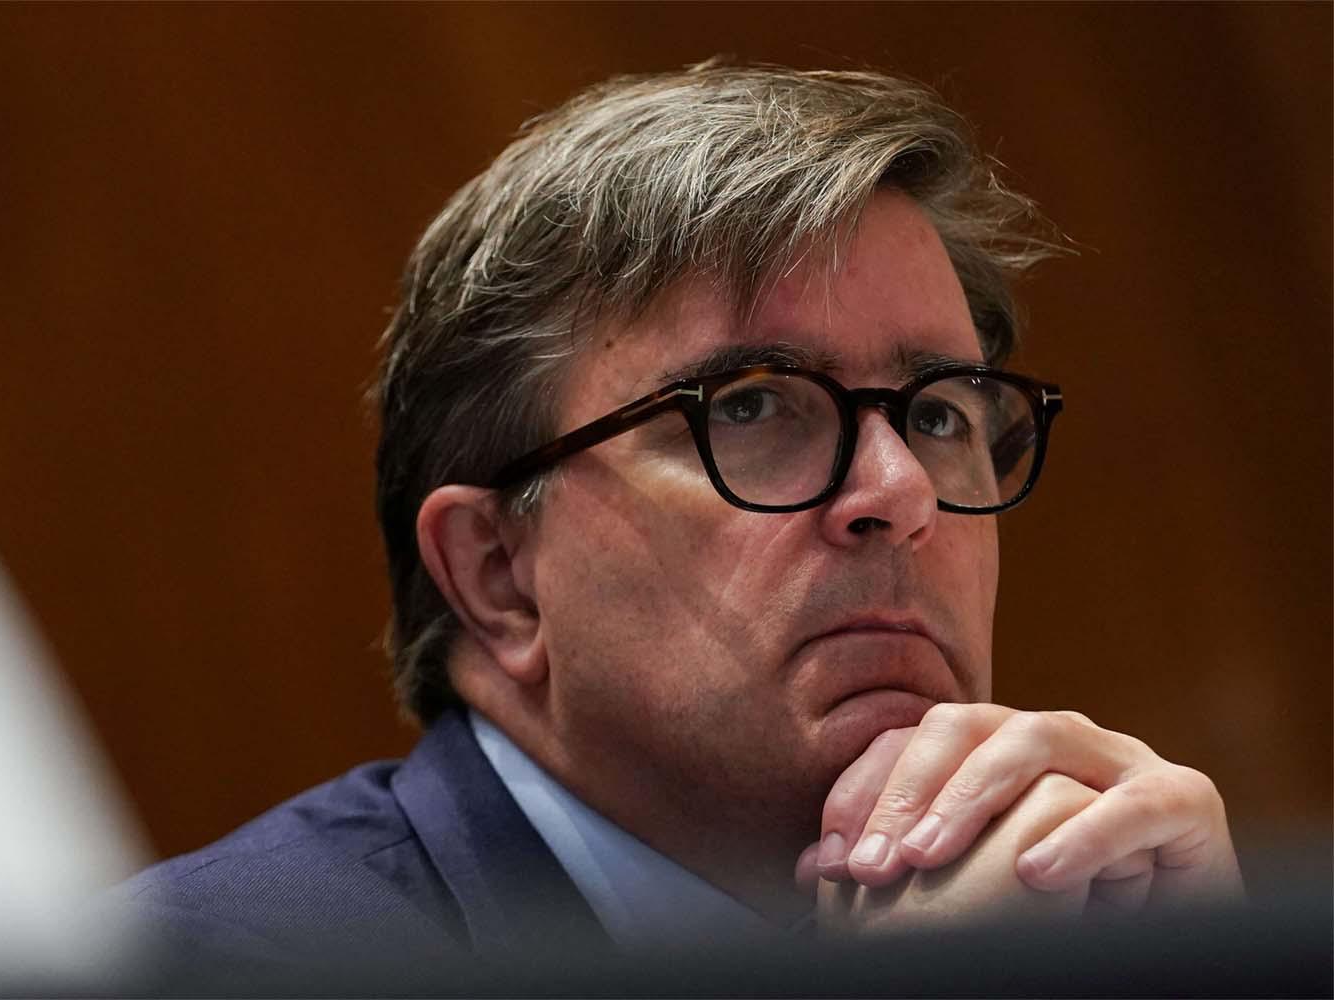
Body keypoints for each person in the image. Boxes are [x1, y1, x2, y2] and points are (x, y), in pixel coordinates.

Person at [117, 63, 1243, 985]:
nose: (901, 492)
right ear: (500, 574)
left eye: (941, 413)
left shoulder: (1079, 915)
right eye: (751, 407)